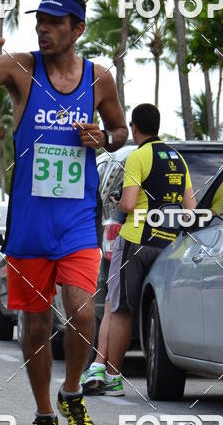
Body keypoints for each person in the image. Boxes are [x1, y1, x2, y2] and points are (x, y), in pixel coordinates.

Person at [0, 0, 128, 425]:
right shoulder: (18, 68)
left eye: (55, 22)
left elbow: (121, 129)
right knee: (36, 324)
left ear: (77, 29)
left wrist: (103, 138)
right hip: (28, 224)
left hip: (77, 219)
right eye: (40, 20)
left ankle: (72, 394)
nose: (43, 29)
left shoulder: (99, 78)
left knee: (84, 310)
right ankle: (45, 415)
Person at [81, 103, 196, 395]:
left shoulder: (138, 156)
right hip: (167, 243)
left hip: (135, 240)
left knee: (120, 308)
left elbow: (130, 204)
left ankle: (113, 376)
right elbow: (190, 209)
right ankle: (99, 366)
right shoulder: (177, 158)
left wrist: (119, 200)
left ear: (134, 127)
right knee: (131, 304)